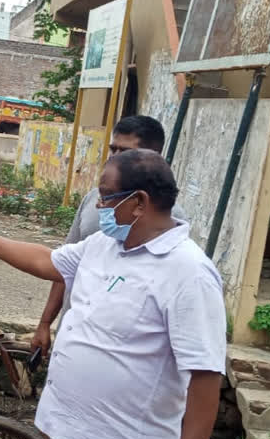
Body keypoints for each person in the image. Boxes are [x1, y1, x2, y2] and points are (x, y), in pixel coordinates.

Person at [0, 149, 226, 439]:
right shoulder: (105, 244)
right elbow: (47, 260)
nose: (99, 206)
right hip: (66, 432)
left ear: (138, 202)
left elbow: (205, 373)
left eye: (106, 196)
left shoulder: (189, 273)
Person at [33, 115, 186, 356]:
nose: (113, 158)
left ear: (150, 156)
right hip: (73, 338)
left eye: (123, 151)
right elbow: (62, 268)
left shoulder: (169, 220)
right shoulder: (94, 199)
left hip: (120, 351)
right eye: (112, 149)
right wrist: (45, 323)